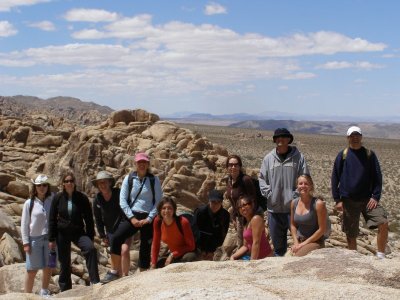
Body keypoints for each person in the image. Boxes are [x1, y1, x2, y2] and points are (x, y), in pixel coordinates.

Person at [331, 126, 389, 259]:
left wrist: (376, 196)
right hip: (349, 200)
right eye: (352, 136)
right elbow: (335, 177)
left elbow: (377, 177)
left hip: (367, 199)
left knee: (383, 222)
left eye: (357, 135)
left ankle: (381, 255)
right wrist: (337, 200)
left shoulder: (369, 155)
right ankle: (354, 259)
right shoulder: (343, 155)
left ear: (361, 137)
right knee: (351, 233)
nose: (355, 138)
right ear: (348, 138)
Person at [109, 152, 162, 276]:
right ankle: (114, 270)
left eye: (144, 162)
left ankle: (143, 273)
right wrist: (132, 218)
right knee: (116, 238)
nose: (142, 165)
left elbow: (158, 201)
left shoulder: (154, 180)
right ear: (135, 164)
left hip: (148, 216)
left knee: (145, 245)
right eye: (139, 162)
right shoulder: (129, 178)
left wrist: (149, 218)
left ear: (148, 164)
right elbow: (122, 200)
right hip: (132, 216)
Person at [259, 128, 309, 256]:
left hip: (293, 209)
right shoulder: (268, 158)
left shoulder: (299, 158)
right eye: (277, 138)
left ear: (289, 139)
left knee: (300, 243)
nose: (280, 140)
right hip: (273, 210)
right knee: (278, 247)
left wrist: (295, 196)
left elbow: (305, 179)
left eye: (283, 137)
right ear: (275, 140)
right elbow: (262, 179)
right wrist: (270, 194)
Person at [48, 171, 99, 291]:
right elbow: (52, 219)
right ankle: (65, 289)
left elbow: (88, 219)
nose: (69, 183)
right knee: (64, 261)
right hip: (62, 233)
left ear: (74, 183)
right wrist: (51, 238)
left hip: (78, 232)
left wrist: (90, 236)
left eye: (71, 181)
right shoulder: (58, 198)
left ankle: (95, 281)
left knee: (90, 249)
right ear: (63, 183)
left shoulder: (82, 198)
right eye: (66, 181)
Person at [92, 171, 132, 283]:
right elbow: (98, 218)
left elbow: (126, 210)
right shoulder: (98, 199)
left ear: (110, 182)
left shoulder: (119, 194)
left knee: (124, 250)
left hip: (124, 228)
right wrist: (102, 235)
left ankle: (125, 276)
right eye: (100, 183)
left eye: (104, 182)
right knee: (116, 253)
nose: (102, 185)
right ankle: (118, 276)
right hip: (110, 231)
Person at [21, 174, 54, 297]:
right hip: (34, 240)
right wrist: (25, 243)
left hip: (50, 239)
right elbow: (24, 224)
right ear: (35, 187)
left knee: (48, 266)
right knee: (31, 269)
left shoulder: (52, 200)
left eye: (44, 185)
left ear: (47, 186)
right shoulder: (29, 204)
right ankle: (27, 295)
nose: (42, 187)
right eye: (39, 185)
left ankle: (44, 291)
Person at [151, 197, 197, 268]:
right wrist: (153, 264)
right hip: (173, 254)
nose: (166, 211)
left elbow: (191, 246)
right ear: (159, 210)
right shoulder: (158, 221)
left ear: (174, 210)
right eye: (164, 208)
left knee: (188, 258)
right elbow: (156, 243)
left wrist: (172, 254)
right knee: (159, 264)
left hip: (186, 252)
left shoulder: (183, 222)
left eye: (170, 208)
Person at [290, 175, 327, 256]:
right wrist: (296, 243)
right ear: (297, 186)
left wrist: (302, 245)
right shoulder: (294, 203)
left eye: (306, 184)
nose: (303, 186)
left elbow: (322, 229)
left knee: (296, 258)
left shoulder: (318, 204)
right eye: (300, 183)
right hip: (300, 241)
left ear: (311, 186)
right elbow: (293, 225)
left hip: (314, 242)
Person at [225, 154, 258, 247]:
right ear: (227, 167)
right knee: (241, 242)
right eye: (230, 165)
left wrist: (250, 219)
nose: (233, 167)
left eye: (236, 165)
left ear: (240, 166)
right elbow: (232, 200)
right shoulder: (229, 181)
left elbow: (253, 199)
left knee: (250, 242)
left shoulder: (245, 180)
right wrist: (234, 217)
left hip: (249, 217)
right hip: (239, 217)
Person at [230, 195, 272, 260]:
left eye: (244, 205)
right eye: (240, 207)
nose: (242, 208)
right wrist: (233, 256)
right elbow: (245, 246)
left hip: (265, 259)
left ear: (252, 205)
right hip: (256, 258)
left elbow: (256, 243)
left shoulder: (256, 219)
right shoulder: (246, 223)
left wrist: (252, 263)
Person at [195, 189, 230, 260]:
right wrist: (201, 250)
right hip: (199, 245)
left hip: (215, 247)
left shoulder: (225, 215)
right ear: (209, 201)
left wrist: (212, 251)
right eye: (213, 202)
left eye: (218, 202)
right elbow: (195, 231)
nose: (215, 205)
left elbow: (223, 234)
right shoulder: (200, 212)